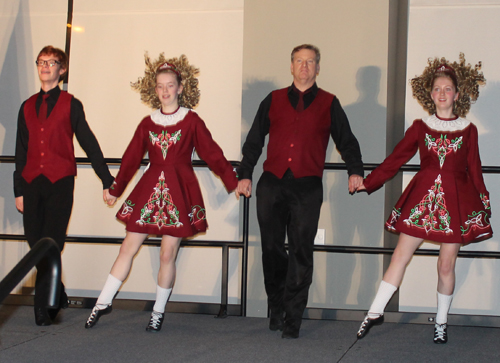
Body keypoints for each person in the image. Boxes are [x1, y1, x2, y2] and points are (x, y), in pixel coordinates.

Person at [84, 54, 238, 332]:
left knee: (167, 254)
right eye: (160, 86)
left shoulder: (191, 121)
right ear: (153, 89)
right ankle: (102, 302)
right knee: (127, 247)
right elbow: (131, 158)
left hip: (179, 191)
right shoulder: (147, 123)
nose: (165, 91)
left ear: (180, 87)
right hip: (149, 188)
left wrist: (232, 179)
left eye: (170, 85)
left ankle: (158, 311)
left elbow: (212, 153)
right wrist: (115, 188)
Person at [356, 54, 492, 344]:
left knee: (446, 265)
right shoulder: (420, 127)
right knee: (400, 256)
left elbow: (476, 170)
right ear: (430, 95)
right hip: (421, 202)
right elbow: (395, 159)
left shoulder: (468, 130)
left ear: (456, 94)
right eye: (437, 89)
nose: (442, 93)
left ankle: (441, 322)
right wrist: (369, 182)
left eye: (447, 89)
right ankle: (374, 311)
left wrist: (483, 201)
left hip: (455, 203)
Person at [236, 44, 364, 339]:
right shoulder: (273, 99)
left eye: (310, 62)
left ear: (318, 68)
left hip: (307, 187)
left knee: (301, 251)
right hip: (272, 184)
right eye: (299, 61)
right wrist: (245, 174)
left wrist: (355, 169)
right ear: (291, 66)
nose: (304, 66)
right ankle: (276, 306)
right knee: (270, 249)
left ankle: (292, 319)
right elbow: (254, 140)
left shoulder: (330, 103)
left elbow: (347, 141)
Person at [14, 45, 114, 326]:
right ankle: (57, 294)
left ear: (62, 68)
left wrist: (107, 180)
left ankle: (42, 309)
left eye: (52, 62)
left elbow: (89, 144)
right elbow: (21, 151)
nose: (45, 66)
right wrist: (18, 189)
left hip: (60, 184)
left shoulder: (72, 104)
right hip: (31, 184)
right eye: (41, 62)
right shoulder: (26, 106)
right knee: (36, 243)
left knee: (52, 243)